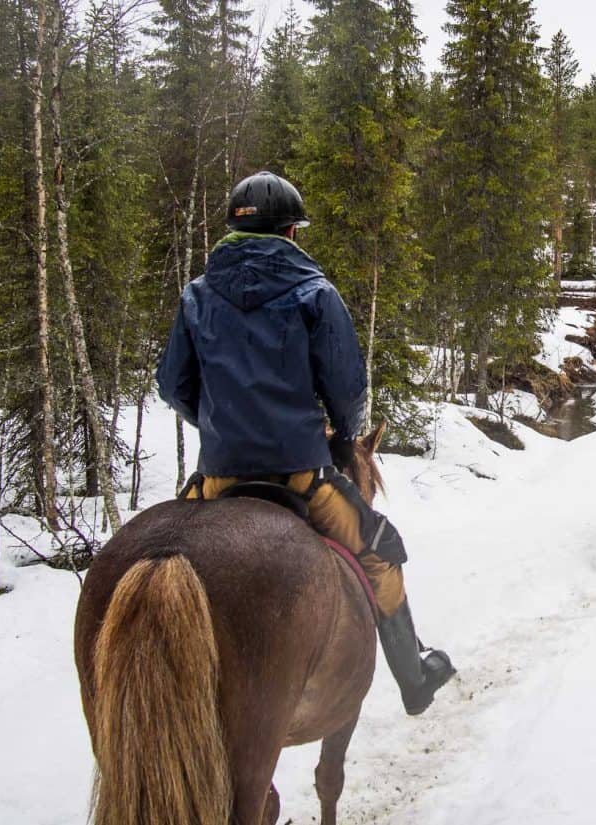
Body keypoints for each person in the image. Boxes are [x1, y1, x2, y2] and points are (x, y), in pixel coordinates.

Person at [156, 171, 455, 715]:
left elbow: (172, 385)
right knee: (379, 551)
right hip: (299, 473)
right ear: (291, 232)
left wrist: (221, 424)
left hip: (217, 476)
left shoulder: (197, 295)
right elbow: (347, 387)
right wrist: (343, 433)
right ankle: (414, 678)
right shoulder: (314, 292)